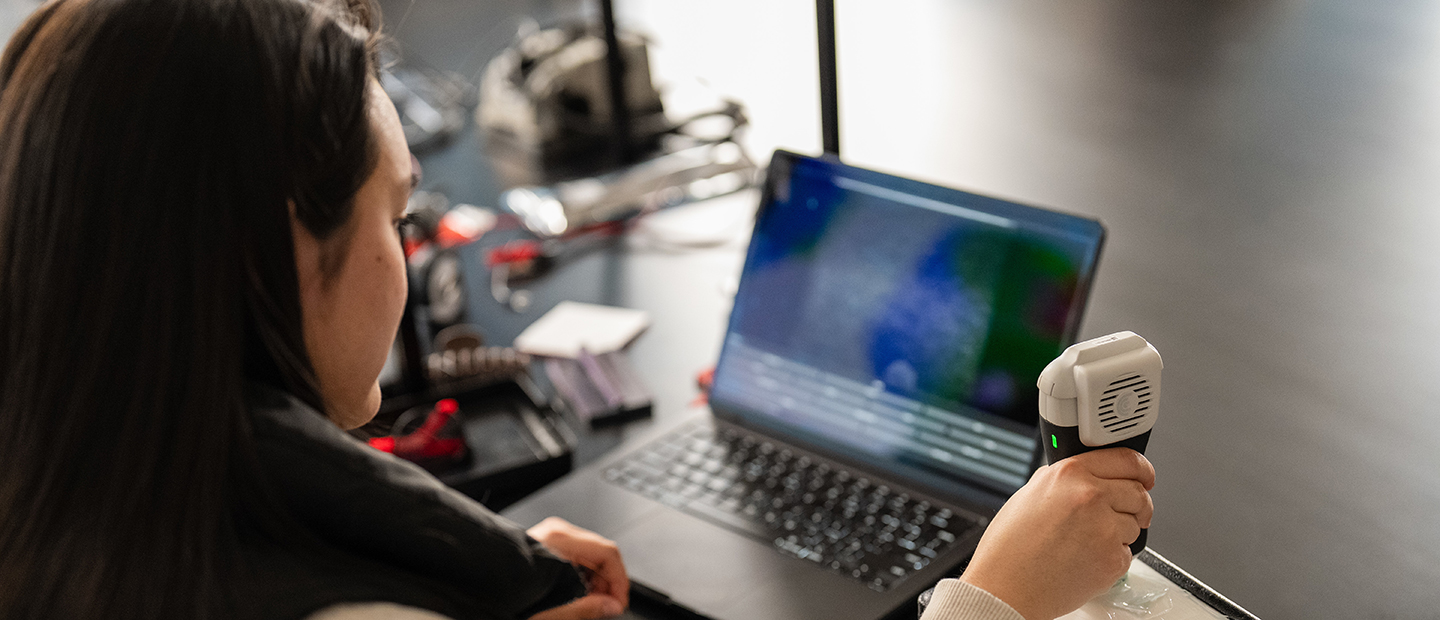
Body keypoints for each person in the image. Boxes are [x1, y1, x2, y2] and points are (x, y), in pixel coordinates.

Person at [0, 0, 1152, 619]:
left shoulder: (71, 499)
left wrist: (460, 563)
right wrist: (996, 600)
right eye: (398, 215)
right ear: (281, 256)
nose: (410, 262)